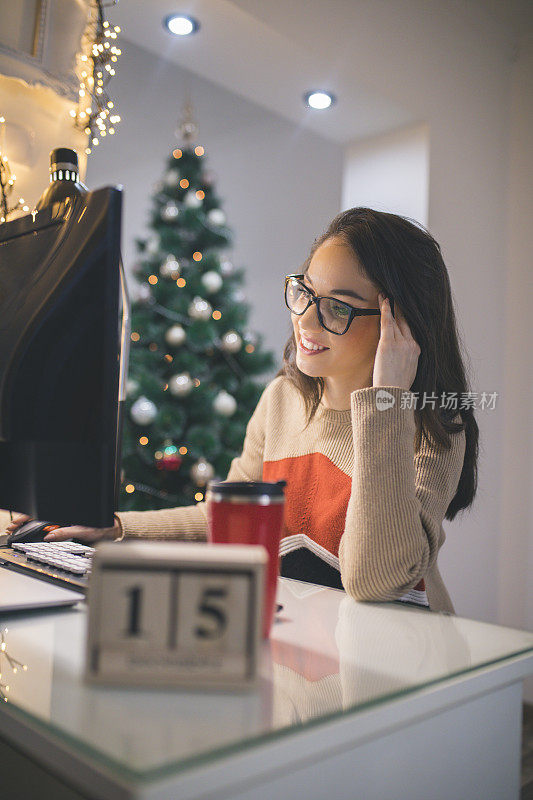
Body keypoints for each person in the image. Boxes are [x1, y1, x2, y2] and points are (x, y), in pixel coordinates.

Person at [6, 208, 479, 613]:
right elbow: (228, 513)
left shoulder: (433, 427)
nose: (306, 321)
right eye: (305, 292)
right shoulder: (283, 401)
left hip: (406, 666)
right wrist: (118, 527)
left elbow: (374, 581)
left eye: (338, 308)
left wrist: (386, 405)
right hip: (309, 648)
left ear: (403, 326)